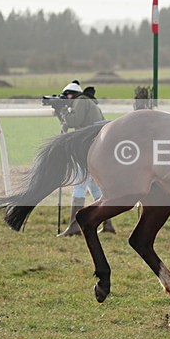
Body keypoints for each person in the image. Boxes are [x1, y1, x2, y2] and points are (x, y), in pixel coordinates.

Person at [53, 80, 115, 236]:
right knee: (94, 186)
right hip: (96, 147)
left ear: (72, 94)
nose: (66, 98)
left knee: (79, 184)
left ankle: (74, 226)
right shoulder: (88, 102)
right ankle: (108, 224)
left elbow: (74, 122)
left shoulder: (80, 101)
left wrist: (62, 112)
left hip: (88, 149)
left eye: (66, 95)